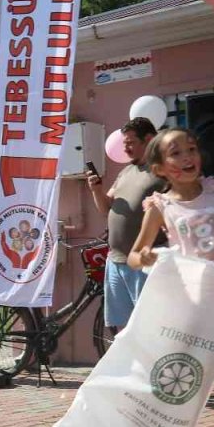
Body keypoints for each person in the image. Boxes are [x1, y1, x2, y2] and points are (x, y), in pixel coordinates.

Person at [129, 128, 214, 273]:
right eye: (176, 153)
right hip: (193, 291)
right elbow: (133, 256)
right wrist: (142, 258)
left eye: (192, 149)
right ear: (160, 169)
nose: (188, 157)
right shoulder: (161, 207)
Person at [85, 117, 164, 332]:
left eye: (130, 142)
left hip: (144, 263)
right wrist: (96, 190)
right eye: (124, 143)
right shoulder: (126, 172)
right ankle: (132, 366)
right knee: (125, 328)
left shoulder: (163, 171)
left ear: (148, 139)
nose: (125, 147)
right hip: (116, 261)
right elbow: (105, 208)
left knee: (148, 325)